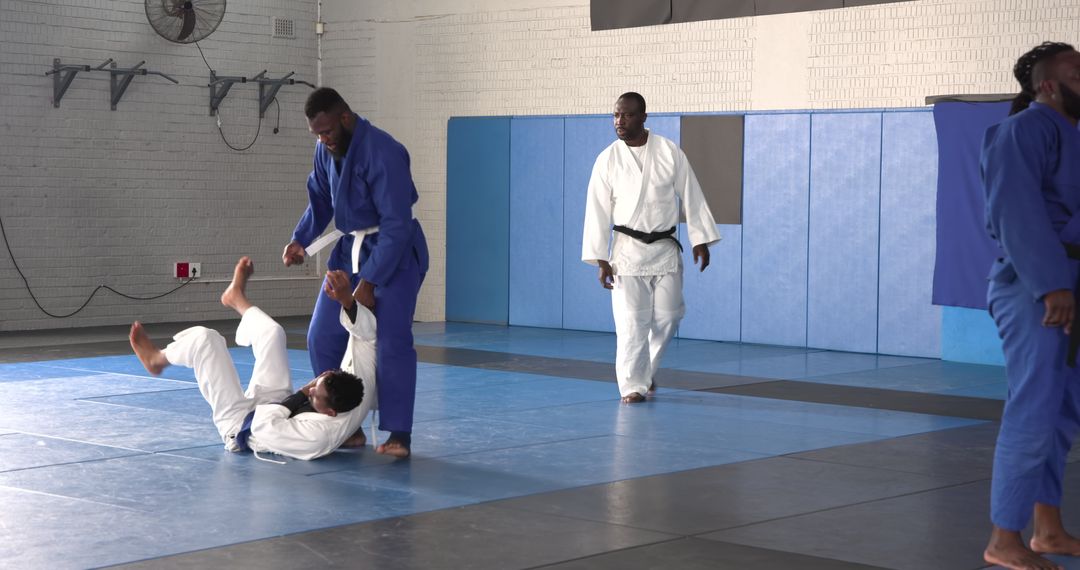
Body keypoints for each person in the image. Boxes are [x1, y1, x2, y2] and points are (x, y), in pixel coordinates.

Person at [282, 87, 428, 458]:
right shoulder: (324, 151)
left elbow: (396, 224)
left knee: (392, 340)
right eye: (317, 134)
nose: (323, 139)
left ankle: (399, 433)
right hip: (350, 250)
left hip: (394, 251)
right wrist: (301, 240)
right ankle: (348, 426)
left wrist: (370, 281)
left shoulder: (384, 152)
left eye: (327, 131)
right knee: (321, 334)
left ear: (345, 118)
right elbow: (319, 200)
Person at [982, 41, 1080, 570]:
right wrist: (1051, 285)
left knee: (1063, 412)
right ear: (1047, 85)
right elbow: (1015, 212)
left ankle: (1047, 531)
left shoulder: (1073, 134)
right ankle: (1004, 539)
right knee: (1034, 407)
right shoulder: (1022, 130)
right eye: (1076, 71)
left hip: (1069, 281)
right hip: (1035, 286)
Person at [128, 257, 378, 461]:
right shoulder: (356, 388)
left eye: (315, 395)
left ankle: (156, 359)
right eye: (318, 383)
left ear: (331, 413)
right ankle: (236, 298)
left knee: (206, 340)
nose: (311, 388)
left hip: (243, 423)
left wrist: (303, 393)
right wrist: (348, 300)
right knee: (273, 333)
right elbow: (366, 337)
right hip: (277, 403)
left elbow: (263, 425)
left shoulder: (316, 436)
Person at [581, 92, 721, 404]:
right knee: (631, 323)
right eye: (616, 115)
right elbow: (597, 210)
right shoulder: (607, 159)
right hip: (627, 252)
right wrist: (600, 258)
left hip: (665, 249)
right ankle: (633, 385)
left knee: (669, 316)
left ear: (644, 117)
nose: (619, 121)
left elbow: (691, 194)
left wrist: (700, 238)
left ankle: (645, 369)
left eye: (627, 115)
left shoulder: (668, 152)